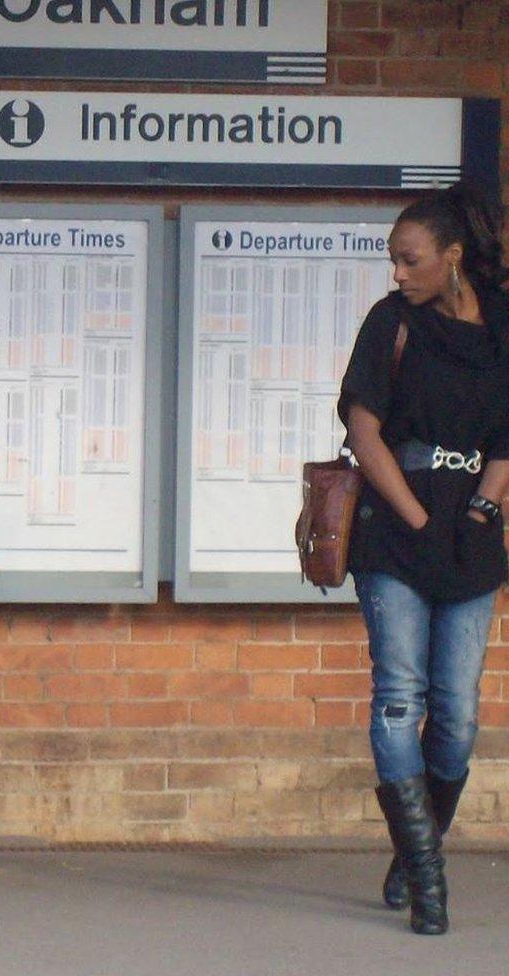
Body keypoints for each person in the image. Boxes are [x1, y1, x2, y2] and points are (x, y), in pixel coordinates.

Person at [337, 181, 509, 936]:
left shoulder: (503, 325)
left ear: (452, 255)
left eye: (410, 260)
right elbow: (363, 432)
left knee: (459, 718)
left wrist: (484, 505)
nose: (398, 273)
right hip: (393, 531)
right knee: (400, 697)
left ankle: (412, 853)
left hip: (471, 536)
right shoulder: (389, 323)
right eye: (393, 262)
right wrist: (412, 515)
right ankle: (430, 882)